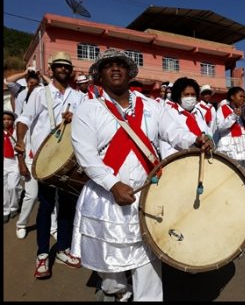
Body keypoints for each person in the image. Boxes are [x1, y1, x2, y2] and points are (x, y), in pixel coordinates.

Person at [70, 49, 213, 301]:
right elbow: (86, 155)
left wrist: (195, 139)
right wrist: (113, 184)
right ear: (100, 76)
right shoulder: (88, 109)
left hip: (148, 194)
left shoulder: (151, 106)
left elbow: (174, 131)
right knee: (110, 264)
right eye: (108, 66)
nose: (115, 69)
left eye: (121, 65)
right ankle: (117, 292)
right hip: (107, 198)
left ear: (129, 72)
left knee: (148, 260)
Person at [14, 51, 86, 279]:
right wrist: (21, 143)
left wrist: (75, 118)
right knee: (45, 206)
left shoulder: (79, 96)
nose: (63, 69)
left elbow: (86, 124)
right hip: (44, 159)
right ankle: (43, 255)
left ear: (70, 70)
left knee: (67, 206)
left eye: (67, 66)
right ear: (52, 69)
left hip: (68, 160)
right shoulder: (39, 93)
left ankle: (63, 248)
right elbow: (24, 119)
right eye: (59, 66)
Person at [11, 69, 58, 240]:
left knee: (52, 196)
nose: (35, 88)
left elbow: (51, 87)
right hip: (30, 161)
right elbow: (19, 146)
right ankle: (21, 223)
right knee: (31, 195)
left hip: (47, 161)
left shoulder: (47, 119)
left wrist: (41, 77)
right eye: (31, 86)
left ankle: (53, 226)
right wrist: (22, 163)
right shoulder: (21, 122)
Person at [161, 77, 212, 158]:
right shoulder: (168, 113)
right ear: (178, 96)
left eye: (193, 95)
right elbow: (175, 135)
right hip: (177, 163)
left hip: (201, 161)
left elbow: (208, 134)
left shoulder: (198, 115)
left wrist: (209, 141)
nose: (190, 98)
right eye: (186, 95)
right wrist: (195, 140)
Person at [215, 86, 245, 176]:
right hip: (229, 147)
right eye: (240, 96)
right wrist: (233, 115)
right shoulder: (223, 109)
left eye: (244, 97)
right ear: (232, 97)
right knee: (230, 174)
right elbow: (221, 127)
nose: (243, 99)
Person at [4, 109, 21, 223]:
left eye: (9, 119)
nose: (6, 121)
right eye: (4, 119)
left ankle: (14, 206)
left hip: (14, 162)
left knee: (13, 186)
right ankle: (5, 210)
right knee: (4, 188)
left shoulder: (16, 132)